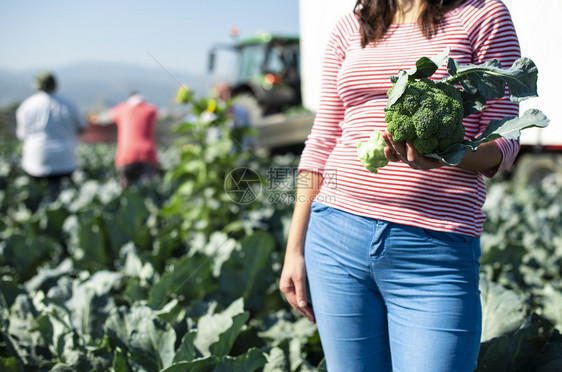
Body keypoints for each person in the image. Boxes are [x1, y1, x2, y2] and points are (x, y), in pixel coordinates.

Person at [279, 0, 521, 371]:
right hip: (334, 238)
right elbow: (322, 140)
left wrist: (444, 154)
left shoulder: (482, 14)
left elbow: (505, 140)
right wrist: (294, 248)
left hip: (434, 249)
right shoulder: (352, 25)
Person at [16, 71, 86, 201]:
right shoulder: (69, 104)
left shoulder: (26, 106)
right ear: (55, 85)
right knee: (62, 200)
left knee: (38, 200)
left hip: (35, 161)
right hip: (64, 161)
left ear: (36, 86)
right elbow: (81, 129)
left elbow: (21, 135)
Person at [94, 92, 160, 187]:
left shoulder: (121, 109)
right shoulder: (151, 109)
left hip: (126, 154)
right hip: (147, 153)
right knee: (148, 189)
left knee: (126, 188)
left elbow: (102, 119)